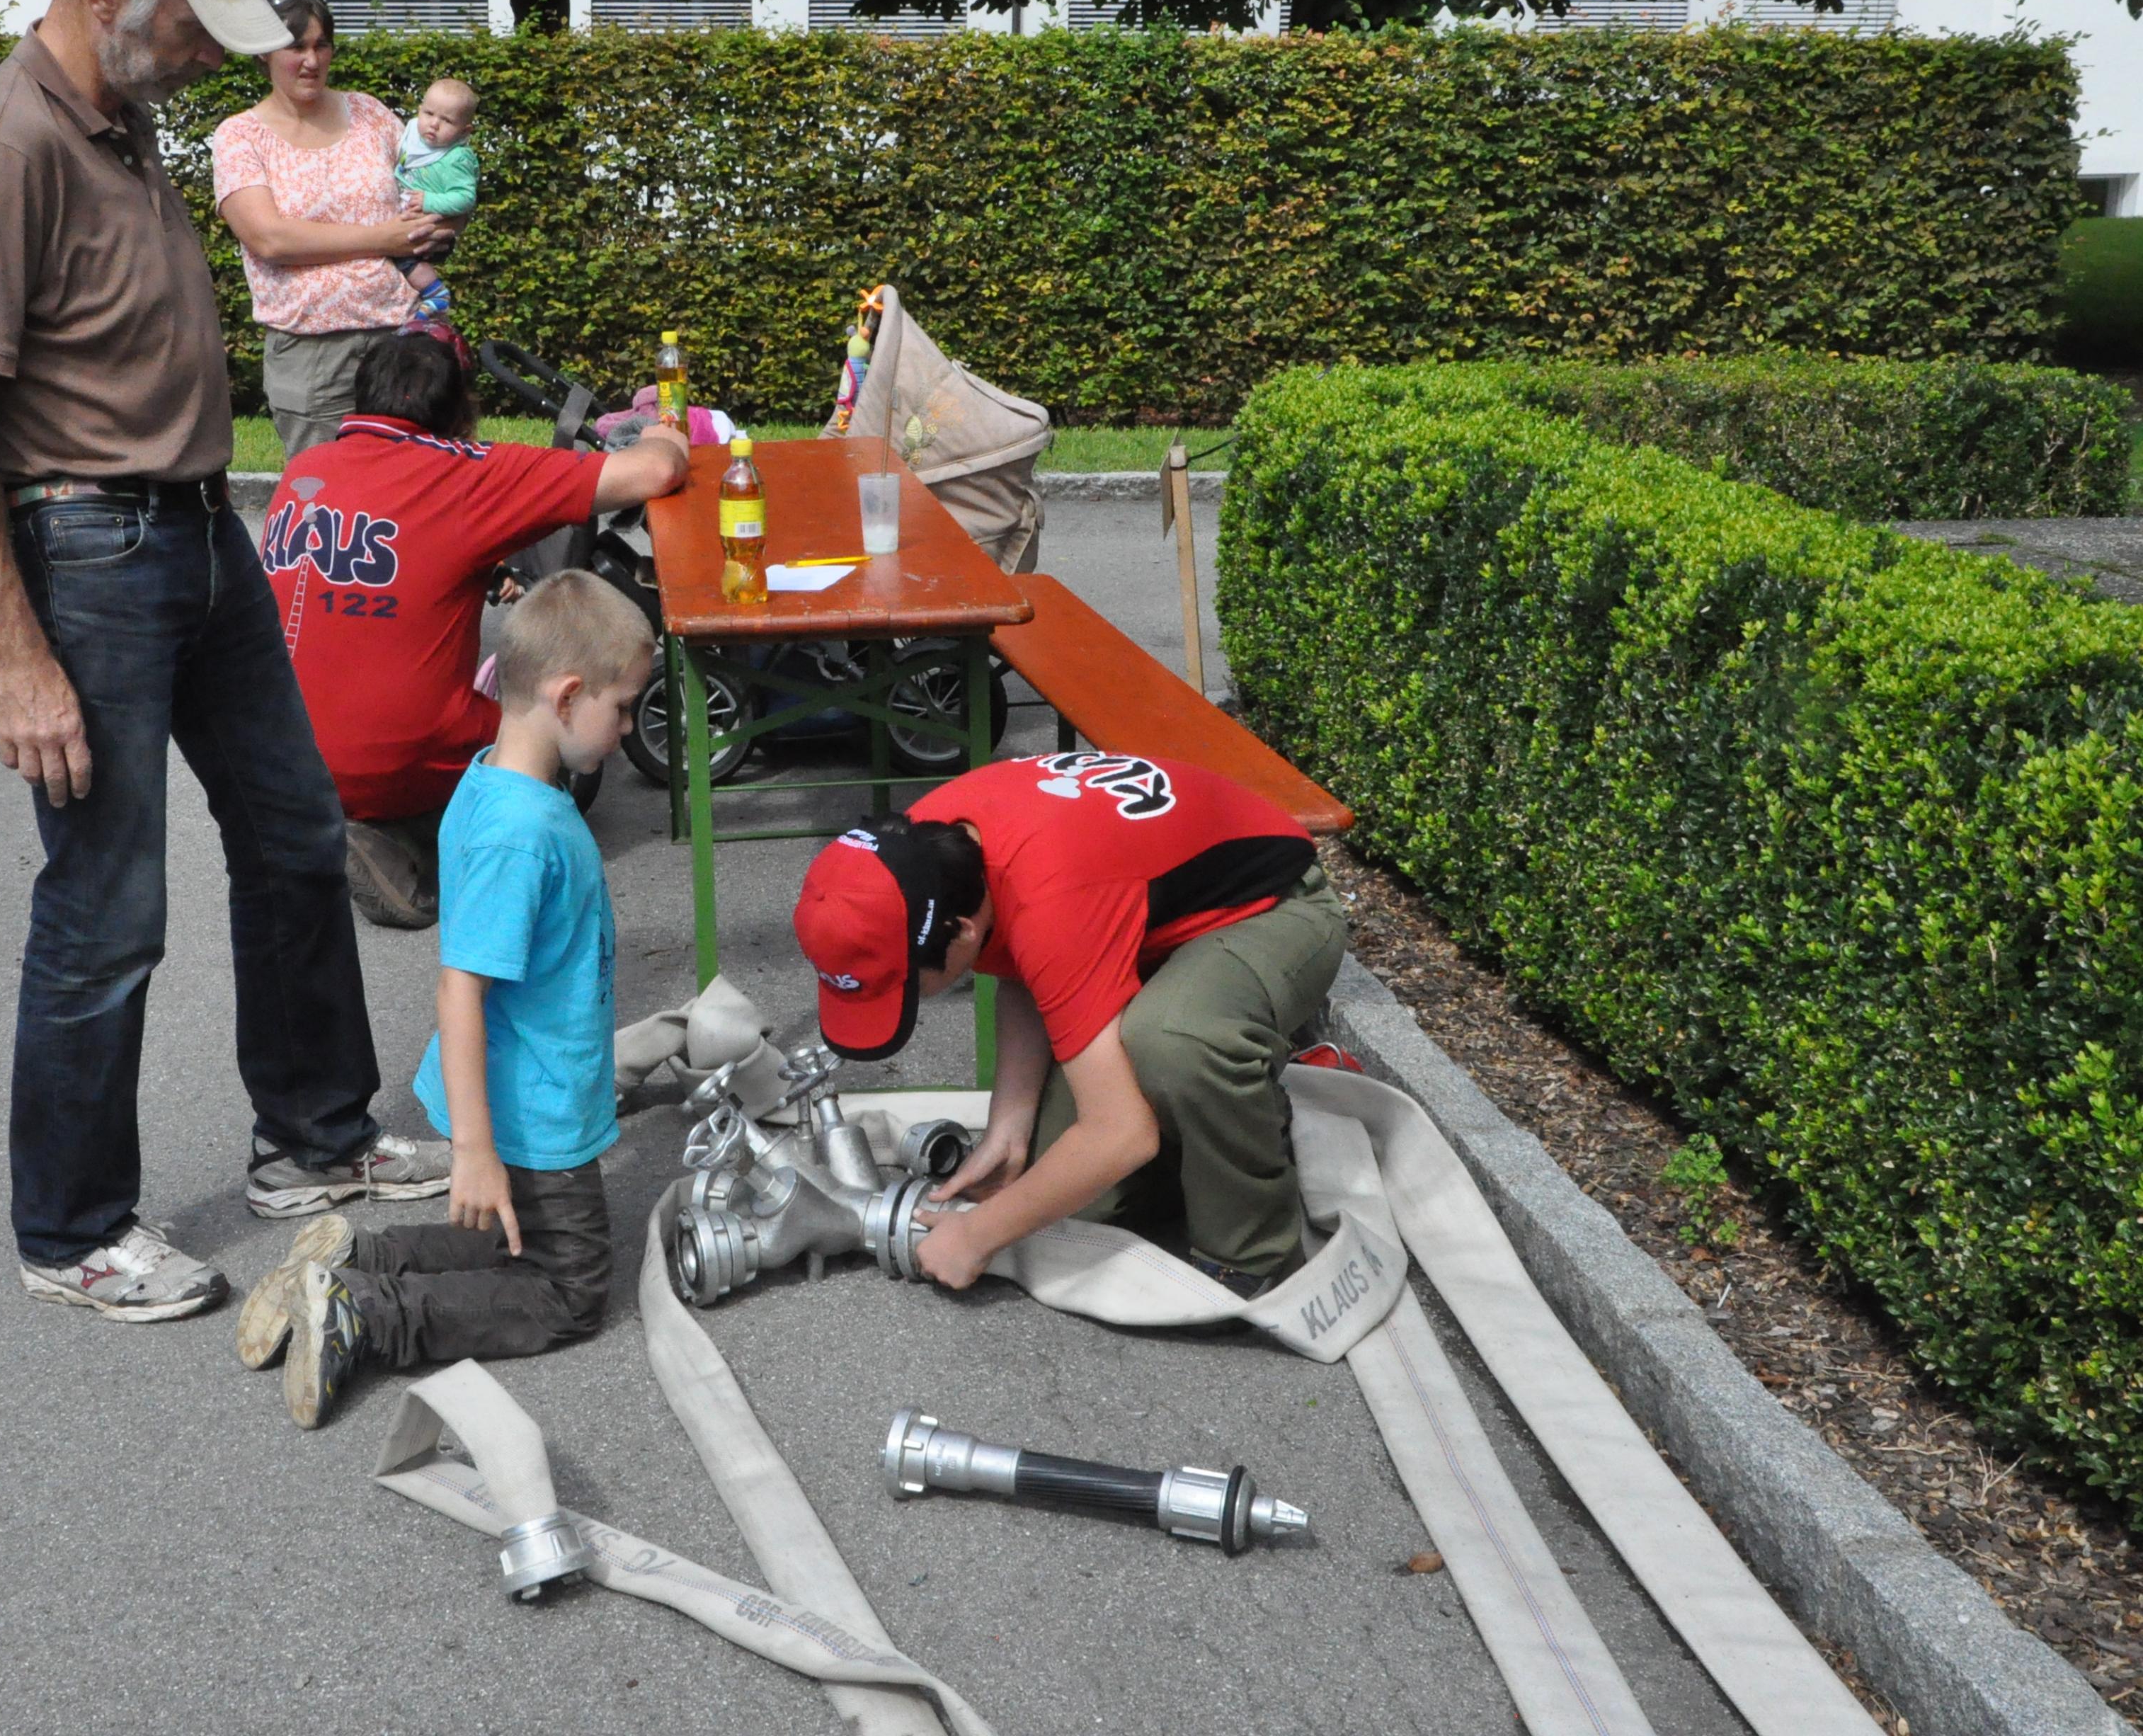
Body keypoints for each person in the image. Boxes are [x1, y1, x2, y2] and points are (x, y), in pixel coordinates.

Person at [0, 0, 451, 1326]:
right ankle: (73, 1228)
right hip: (91, 555)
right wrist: (18, 661)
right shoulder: (9, 138)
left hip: (198, 534)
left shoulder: (122, 118)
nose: (213, 53)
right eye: (194, 24)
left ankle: (313, 1141)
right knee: (107, 904)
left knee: (295, 832)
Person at [231, 569, 658, 1426]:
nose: (625, 731)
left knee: (501, 1236)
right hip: (533, 1105)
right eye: (621, 709)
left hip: (526, 1084)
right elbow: (461, 986)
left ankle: (352, 1257)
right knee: (568, 1285)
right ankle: (364, 1313)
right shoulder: (522, 833)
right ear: (567, 695)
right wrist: (474, 1149)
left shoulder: (490, 779)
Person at [791, 750, 1348, 1296]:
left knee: (1174, 1043)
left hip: (1275, 906)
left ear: (960, 933)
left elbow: (1120, 1133)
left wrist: (976, 1237)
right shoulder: (916, 856)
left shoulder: (1050, 897)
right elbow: (1020, 958)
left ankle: (1253, 1255)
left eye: (902, 987)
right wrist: (1009, 1127)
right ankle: (1222, 1117)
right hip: (1139, 917)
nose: (895, 1001)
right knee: (1074, 1205)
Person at [261, 321, 688, 929]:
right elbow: (653, 472)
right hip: (390, 755)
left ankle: (352, 816)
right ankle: (408, 842)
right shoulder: (466, 474)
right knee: (554, 739)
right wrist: (665, 430)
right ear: (462, 411)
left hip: (283, 756)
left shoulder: (306, 470)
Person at [211, 0, 452, 456]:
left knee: (413, 488)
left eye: (322, 45)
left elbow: (430, 187)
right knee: (326, 493)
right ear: (264, 51)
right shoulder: (240, 136)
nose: (312, 60)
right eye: (296, 47)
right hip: (313, 356)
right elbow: (270, 239)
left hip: (402, 340)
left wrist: (440, 224)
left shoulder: (369, 113)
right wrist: (384, 238)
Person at [392, 77, 478, 319]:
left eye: (447, 120)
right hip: (406, 218)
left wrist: (429, 201)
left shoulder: (456, 157)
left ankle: (436, 294)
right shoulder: (411, 135)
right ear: (419, 110)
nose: (434, 124)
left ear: (465, 131)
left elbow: (466, 198)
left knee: (402, 256)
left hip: (430, 227)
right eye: (429, 114)